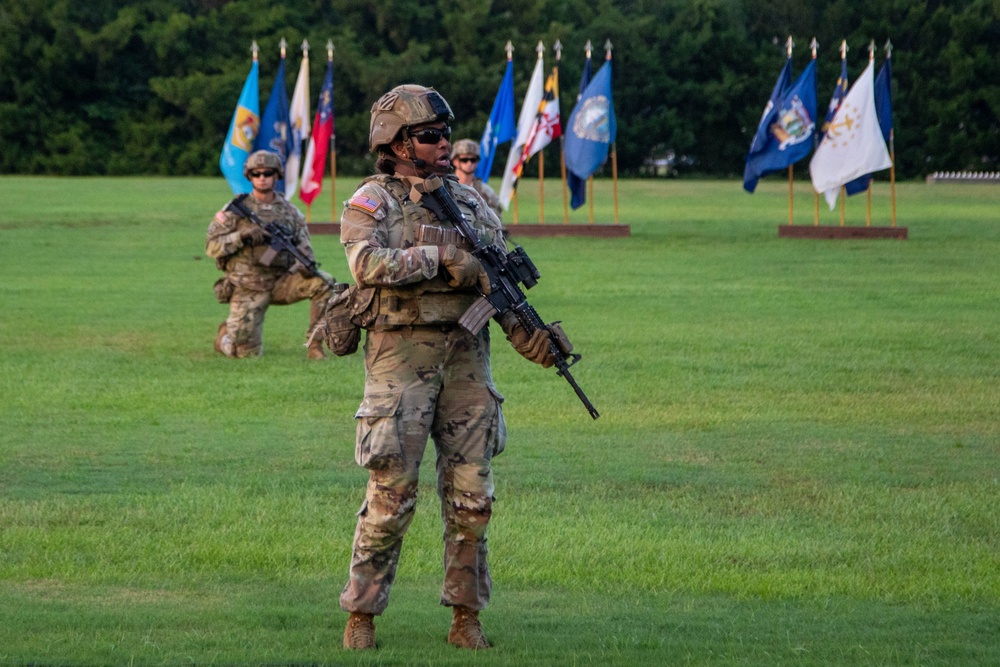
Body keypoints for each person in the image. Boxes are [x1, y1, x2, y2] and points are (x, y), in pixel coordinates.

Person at [337, 85, 566, 651]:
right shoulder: (373, 201)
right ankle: (362, 615)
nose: (444, 144)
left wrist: (530, 336)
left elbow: (497, 284)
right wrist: (441, 259)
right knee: (391, 497)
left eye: (445, 134)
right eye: (430, 136)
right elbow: (365, 264)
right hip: (401, 365)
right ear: (397, 143)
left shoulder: (471, 204)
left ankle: (466, 617)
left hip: (467, 362)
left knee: (473, 499)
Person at [206, 150, 332, 359]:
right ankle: (225, 337)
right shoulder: (236, 209)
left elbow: (304, 245)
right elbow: (211, 246)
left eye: (267, 173)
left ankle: (315, 344)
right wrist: (241, 236)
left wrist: (304, 264)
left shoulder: (290, 211)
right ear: (250, 176)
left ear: (277, 176)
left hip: (281, 281)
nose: (262, 178)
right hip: (248, 284)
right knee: (245, 353)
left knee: (324, 283)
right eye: (257, 174)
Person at [450, 138, 503, 219]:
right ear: (455, 161)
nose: (469, 163)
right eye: (464, 160)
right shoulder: (446, 186)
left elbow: (497, 215)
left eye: (473, 160)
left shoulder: (485, 191)